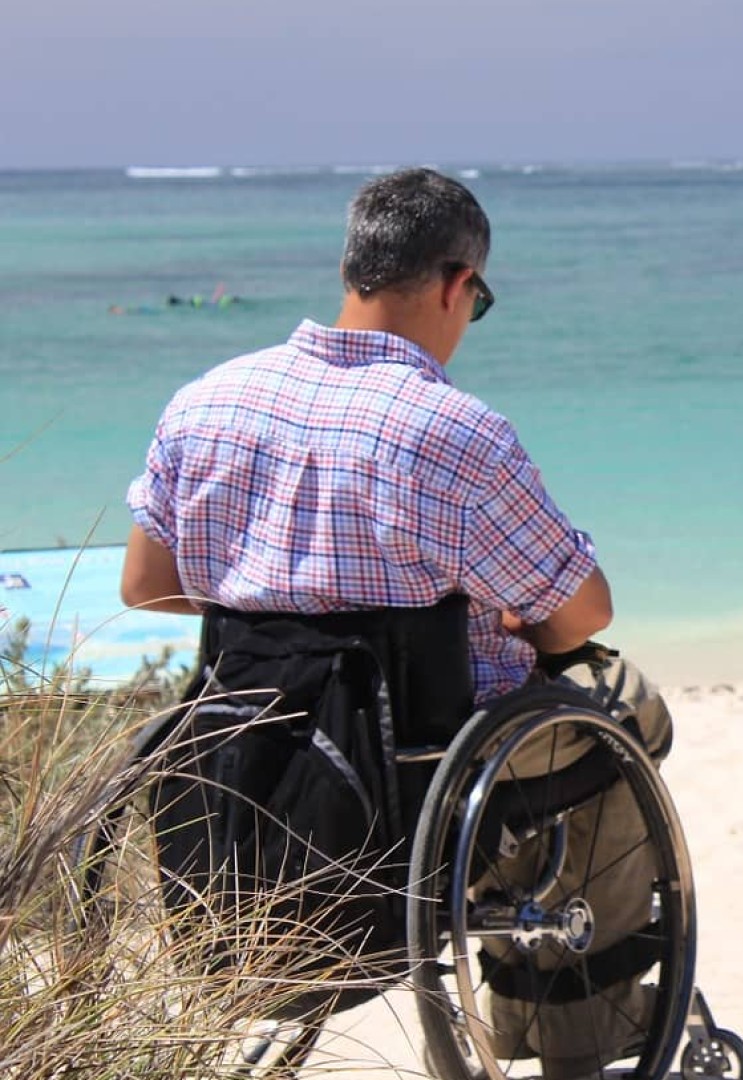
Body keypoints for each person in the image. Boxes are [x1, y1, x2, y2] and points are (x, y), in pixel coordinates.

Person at [120, 167, 654, 1074]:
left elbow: (146, 586)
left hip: (248, 743)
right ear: (457, 284)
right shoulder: (456, 433)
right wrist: (519, 623)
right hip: (424, 762)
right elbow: (582, 614)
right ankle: (572, 1034)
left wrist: (284, 603)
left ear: (352, 268)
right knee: (631, 717)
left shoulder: (206, 402)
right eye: (476, 302)